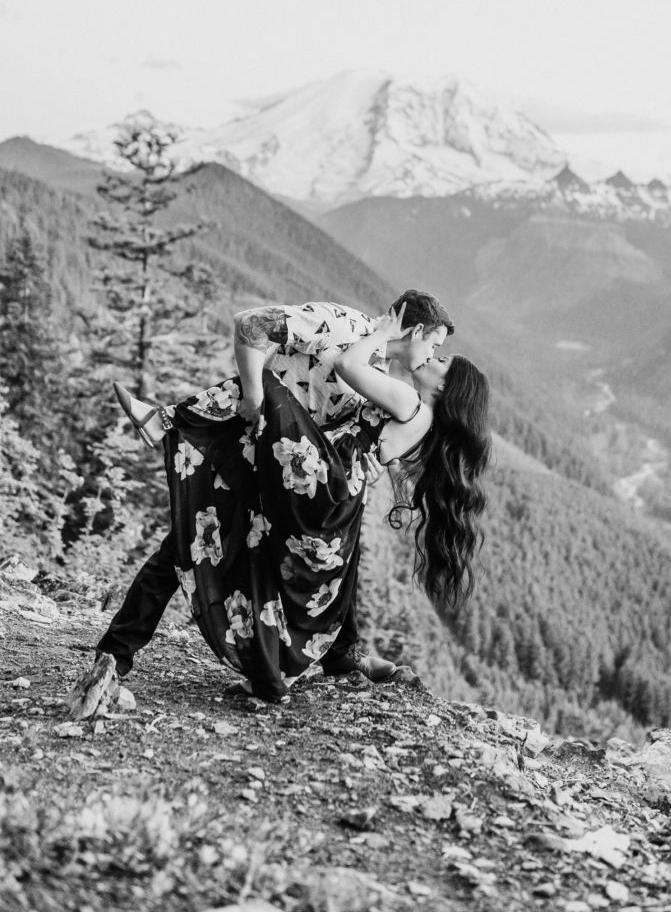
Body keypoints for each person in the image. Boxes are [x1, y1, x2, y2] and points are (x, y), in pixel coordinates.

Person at [94, 290, 456, 689]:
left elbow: (363, 434)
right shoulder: (340, 324)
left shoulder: (378, 366)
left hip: (290, 470)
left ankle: (335, 655)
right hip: (261, 451)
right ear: (417, 329)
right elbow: (250, 324)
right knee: (186, 542)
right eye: (436, 345)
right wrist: (252, 393)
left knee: (331, 552)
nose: (433, 354)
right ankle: (117, 651)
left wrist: (368, 464)